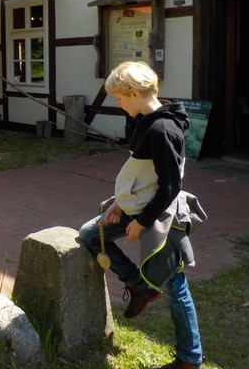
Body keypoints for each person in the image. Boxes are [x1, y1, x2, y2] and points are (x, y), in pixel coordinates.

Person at [78, 61, 205, 369]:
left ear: (134, 93)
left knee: (175, 286)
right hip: (136, 207)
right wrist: (120, 204)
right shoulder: (143, 120)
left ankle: (190, 359)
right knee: (91, 234)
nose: (118, 104)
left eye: (120, 98)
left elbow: (170, 186)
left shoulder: (163, 129)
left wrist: (142, 222)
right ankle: (139, 285)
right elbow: (142, 173)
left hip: (160, 215)